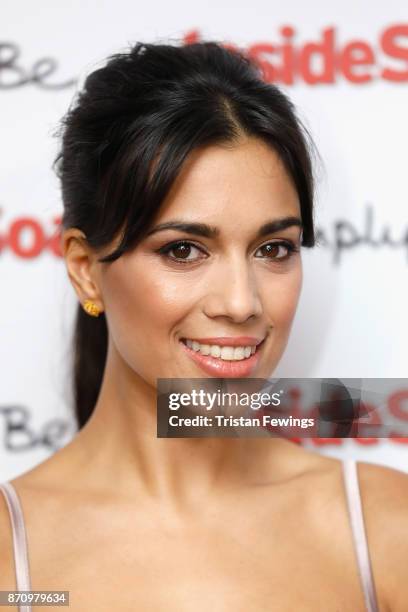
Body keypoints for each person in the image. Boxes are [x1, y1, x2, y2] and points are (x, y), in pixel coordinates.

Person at [1, 40, 407, 612]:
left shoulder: (386, 528)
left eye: (273, 247)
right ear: (86, 270)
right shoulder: (12, 561)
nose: (242, 303)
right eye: (184, 250)